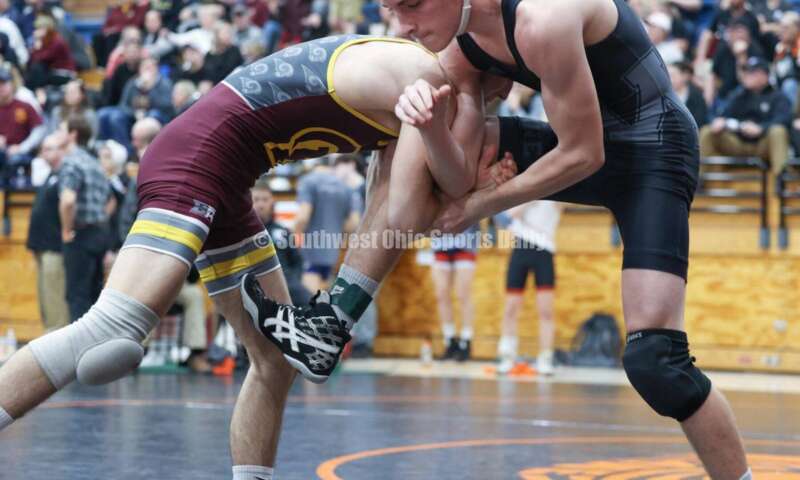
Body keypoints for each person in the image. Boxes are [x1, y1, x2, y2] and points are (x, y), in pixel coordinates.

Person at [0, 34, 513, 480]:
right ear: (501, 76)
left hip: (228, 176)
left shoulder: (417, 109)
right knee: (111, 328)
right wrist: (474, 194)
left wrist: (469, 193)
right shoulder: (425, 86)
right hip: (193, 159)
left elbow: (396, 212)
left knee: (273, 361)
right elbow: (406, 213)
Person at [382, 0, 750, 477]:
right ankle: (341, 309)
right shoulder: (460, 46)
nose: (402, 25)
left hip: (655, 150)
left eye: (411, 5)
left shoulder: (543, 15)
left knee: (656, 362)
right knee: (433, 156)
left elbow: (583, 154)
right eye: (391, 9)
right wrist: (430, 129)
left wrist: (482, 205)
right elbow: (454, 183)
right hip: (585, 144)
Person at [497, 200, 562, 375]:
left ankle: (545, 358)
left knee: (545, 310)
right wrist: (531, 197)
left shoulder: (556, 190)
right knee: (510, 307)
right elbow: (506, 218)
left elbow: (561, 205)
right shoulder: (528, 187)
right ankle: (507, 356)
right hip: (521, 247)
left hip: (544, 250)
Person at [59, 115, 111, 322]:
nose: (57, 133)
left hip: (81, 234)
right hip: (99, 232)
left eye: (61, 129)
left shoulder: (71, 161)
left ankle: (79, 354)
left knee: (77, 297)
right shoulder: (94, 163)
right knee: (93, 296)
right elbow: (110, 201)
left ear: (72, 135)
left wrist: (65, 229)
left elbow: (68, 200)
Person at [700, 56, 792, 175]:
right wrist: (720, 121)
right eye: (746, 72)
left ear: (764, 76)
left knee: (778, 131)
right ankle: (700, 179)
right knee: (707, 131)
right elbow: (720, 114)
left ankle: (781, 180)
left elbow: (785, 119)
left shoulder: (777, 96)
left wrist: (761, 128)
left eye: (751, 73)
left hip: (763, 144)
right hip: (737, 141)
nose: (746, 76)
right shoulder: (738, 95)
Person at [294, 157, 360, 294]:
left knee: (309, 304)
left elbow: (302, 218)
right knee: (325, 306)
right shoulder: (345, 187)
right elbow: (353, 224)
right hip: (332, 256)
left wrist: (293, 242)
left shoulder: (308, 182)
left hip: (310, 255)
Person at [26, 131, 71, 332]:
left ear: (62, 150)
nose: (44, 152)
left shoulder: (66, 174)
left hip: (55, 247)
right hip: (41, 246)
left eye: (49, 148)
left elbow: (70, 205)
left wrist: (66, 233)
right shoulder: (51, 174)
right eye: (43, 148)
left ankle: (56, 347)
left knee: (55, 301)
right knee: (45, 299)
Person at [430, 225, 478, 361]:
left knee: (463, 294)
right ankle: (449, 340)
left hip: (465, 241)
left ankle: (466, 341)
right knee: (441, 293)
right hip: (440, 241)